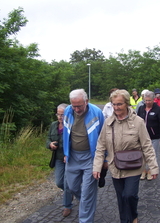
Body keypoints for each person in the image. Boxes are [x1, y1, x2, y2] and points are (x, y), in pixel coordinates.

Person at [93, 89, 159, 223]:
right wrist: (97, 166)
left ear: (127, 104)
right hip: (115, 166)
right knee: (121, 197)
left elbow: (147, 146)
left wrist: (153, 167)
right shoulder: (108, 123)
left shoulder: (138, 122)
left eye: (119, 104)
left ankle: (133, 215)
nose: (116, 108)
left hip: (134, 165)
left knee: (129, 195)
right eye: (114, 104)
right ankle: (126, 220)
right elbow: (100, 146)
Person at [63, 88, 104, 223]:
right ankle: (86, 202)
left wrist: (104, 158)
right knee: (72, 187)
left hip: (90, 157)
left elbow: (104, 137)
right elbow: (66, 134)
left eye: (79, 106)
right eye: (74, 106)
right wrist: (65, 152)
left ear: (86, 101)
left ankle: (85, 220)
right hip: (73, 156)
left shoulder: (96, 113)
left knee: (87, 193)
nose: (76, 109)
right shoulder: (68, 111)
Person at [46, 103, 73, 217]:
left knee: (67, 184)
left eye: (62, 115)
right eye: (58, 114)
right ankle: (71, 193)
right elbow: (48, 138)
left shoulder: (72, 125)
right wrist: (50, 144)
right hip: (57, 158)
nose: (60, 117)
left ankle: (67, 206)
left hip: (69, 159)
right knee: (59, 182)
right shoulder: (53, 125)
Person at [137, 90, 160, 180]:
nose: (147, 102)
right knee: (142, 154)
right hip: (142, 136)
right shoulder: (141, 108)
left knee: (152, 154)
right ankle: (143, 171)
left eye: (149, 100)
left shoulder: (158, 109)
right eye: (146, 100)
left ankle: (150, 171)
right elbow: (136, 121)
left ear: (153, 100)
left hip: (154, 136)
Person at [100, 88, 118, 188]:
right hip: (109, 132)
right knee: (108, 153)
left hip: (120, 133)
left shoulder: (123, 105)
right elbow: (103, 117)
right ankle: (104, 172)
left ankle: (118, 169)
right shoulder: (107, 106)